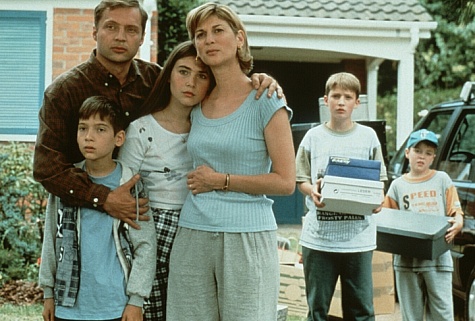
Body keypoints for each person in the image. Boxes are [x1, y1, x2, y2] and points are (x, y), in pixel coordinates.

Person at [33, 0, 283, 230]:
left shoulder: (156, 80)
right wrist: (104, 198)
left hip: (149, 216)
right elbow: (47, 167)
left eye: (131, 30)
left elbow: (213, 90)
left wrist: (258, 81)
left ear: (142, 37)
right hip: (85, 212)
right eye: (111, 27)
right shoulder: (65, 91)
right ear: (95, 32)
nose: (121, 37)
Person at [166, 3, 296, 320]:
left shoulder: (266, 98)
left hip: (247, 238)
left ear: (239, 38)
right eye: (200, 34)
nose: (208, 40)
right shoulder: (196, 100)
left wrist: (221, 181)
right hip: (192, 234)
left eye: (217, 31)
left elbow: (285, 182)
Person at [39, 96, 157, 321]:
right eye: (82, 128)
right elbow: (51, 238)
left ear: (119, 138)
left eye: (100, 129)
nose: (88, 137)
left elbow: (145, 245)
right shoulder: (67, 182)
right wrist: (48, 293)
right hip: (68, 304)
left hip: (115, 304)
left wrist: (136, 300)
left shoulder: (129, 182)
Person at [118, 40, 211, 321]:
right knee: (154, 308)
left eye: (202, 76)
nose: (190, 82)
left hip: (196, 224)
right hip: (150, 226)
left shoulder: (210, 128)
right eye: (183, 72)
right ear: (168, 74)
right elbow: (123, 185)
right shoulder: (142, 128)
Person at [296, 72, 388, 321]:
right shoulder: (312, 137)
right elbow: (300, 178)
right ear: (325, 100)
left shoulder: (368, 137)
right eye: (335, 96)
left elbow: (380, 180)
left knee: (361, 312)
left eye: (348, 97)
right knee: (317, 311)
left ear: (357, 103)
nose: (341, 102)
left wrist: (377, 200)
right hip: (319, 240)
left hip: (358, 240)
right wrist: (310, 190)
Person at [382, 129, 463, 321]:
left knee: (442, 313)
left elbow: (456, 212)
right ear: (407, 152)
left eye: (428, 153)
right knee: (411, 315)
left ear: (433, 157)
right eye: (418, 150)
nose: (422, 156)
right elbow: (385, 219)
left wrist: (458, 222)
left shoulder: (442, 179)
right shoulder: (397, 186)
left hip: (438, 260)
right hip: (406, 261)